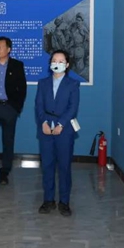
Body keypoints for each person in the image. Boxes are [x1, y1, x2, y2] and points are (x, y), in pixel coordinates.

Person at [34, 49, 79, 217]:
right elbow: (38, 105)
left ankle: (64, 202)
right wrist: (44, 122)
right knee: (47, 166)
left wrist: (61, 124)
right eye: (54, 60)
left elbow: (72, 108)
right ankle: (48, 200)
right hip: (46, 129)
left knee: (64, 167)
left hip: (64, 130)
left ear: (67, 65)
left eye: (61, 61)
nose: (57, 64)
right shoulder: (43, 83)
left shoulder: (73, 84)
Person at [0, 36, 27, 186]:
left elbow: (22, 89)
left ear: (8, 49)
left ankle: (5, 172)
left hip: (9, 108)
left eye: (0, 47)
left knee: (8, 142)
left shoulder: (17, 65)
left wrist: (16, 108)